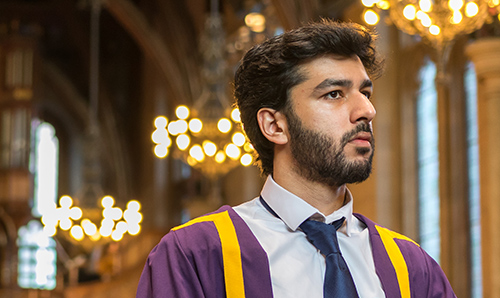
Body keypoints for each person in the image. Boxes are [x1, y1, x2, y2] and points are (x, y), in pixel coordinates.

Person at [136, 19, 456, 298]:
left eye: (366, 93)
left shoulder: (411, 266)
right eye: (334, 94)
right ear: (275, 125)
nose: (366, 111)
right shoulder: (196, 255)